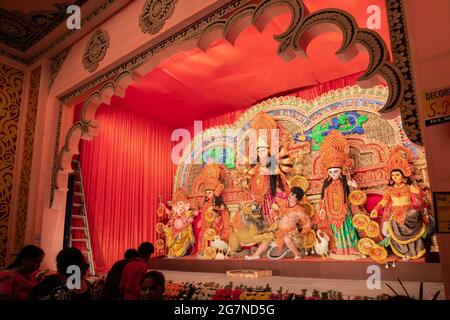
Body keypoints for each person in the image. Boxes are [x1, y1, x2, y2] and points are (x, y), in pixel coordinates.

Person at [370, 146, 430, 260]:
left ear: (403, 176)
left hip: (409, 213)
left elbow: (420, 199)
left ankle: (416, 252)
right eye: (393, 175)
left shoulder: (409, 187)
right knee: (393, 226)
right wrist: (375, 209)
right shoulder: (389, 190)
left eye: (397, 174)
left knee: (411, 217)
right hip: (396, 214)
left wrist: (417, 192)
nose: (395, 177)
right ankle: (404, 253)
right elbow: (384, 201)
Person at [318, 131, 362, 259]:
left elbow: (356, 197)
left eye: (335, 171)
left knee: (348, 229)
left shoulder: (347, 182)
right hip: (332, 214)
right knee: (336, 233)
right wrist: (322, 209)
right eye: (330, 172)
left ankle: (352, 249)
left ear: (341, 170)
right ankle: (339, 249)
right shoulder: (327, 185)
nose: (333, 174)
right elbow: (323, 199)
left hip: (345, 212)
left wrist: (354, 187)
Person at [245, 186, 311, 260]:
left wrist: (301, 234)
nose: (289, 195)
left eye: (292, 195)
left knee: (286, 238)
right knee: (267, 237)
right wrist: (276, 217)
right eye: (290, 193)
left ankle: (297, 254)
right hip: (279, 231)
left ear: (297, 198)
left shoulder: (299, 210)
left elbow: (307, 223)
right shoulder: (284, 207)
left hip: (291, 232)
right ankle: (256, 255)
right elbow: (278, 214)